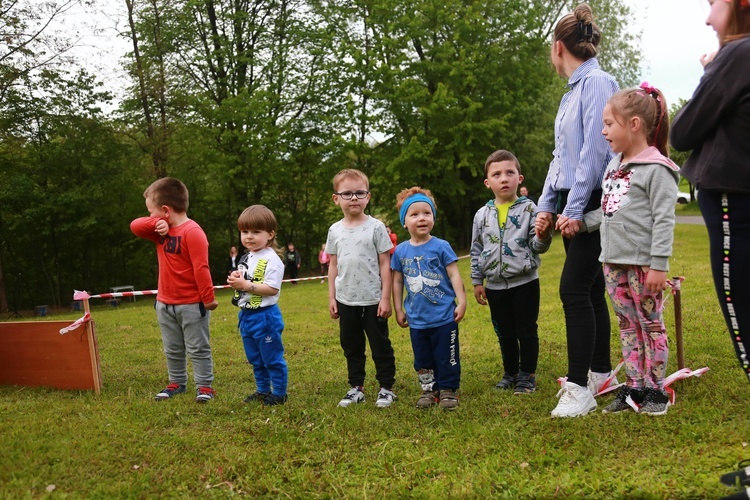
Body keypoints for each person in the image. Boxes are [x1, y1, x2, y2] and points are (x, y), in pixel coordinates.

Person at [535, 3, 620, 418]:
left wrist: (571, 207)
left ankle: (579, 389)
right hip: (573, 201)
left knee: (572, 290)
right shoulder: (571, 93)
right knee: (588, 291)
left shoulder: (599, 83)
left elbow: (596, 151)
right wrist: (546, 205)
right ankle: (601, 374)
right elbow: (561, 156)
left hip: (593, 203)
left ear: (558, 48)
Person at [671, 0, 750, 387]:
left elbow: (681, 131)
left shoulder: (738, 53)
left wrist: (710, 72)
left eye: (713, 3)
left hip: (735, 205)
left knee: (742, 314)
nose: (706, 17)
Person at [598, 83, 679, 416]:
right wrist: (578, 221)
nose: (603, 131)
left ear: (633, 125)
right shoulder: (614, 166)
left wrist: (658, 264)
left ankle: (655, 390)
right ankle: (634, 387)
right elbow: (611, 210)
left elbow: (663, 220)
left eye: (609, 124)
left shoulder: (657, 169)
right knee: (627, 326)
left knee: (650, 326)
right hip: (612, 262)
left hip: (644, 266)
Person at [471, 150, 553, 396]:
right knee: (504, 332)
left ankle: (527, 376)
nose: (503, 178)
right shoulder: (481, 215)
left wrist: (543, 234)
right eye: (496, 174)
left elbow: (538, 246)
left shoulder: (530, 209)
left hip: (525, 283)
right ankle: (510, 372)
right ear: (488, 182)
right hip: (495, 286)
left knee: (526, 331)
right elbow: (477, 249)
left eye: (510, 172)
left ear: (520, 178)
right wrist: (477, 281)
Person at [130, 177, 218, 403]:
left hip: (191, 304)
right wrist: (156, 224)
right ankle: (177, 382)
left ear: (166, 210)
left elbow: (201, 267)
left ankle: (205, 387)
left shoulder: (193, 232)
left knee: (198, 348)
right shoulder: (160, 230)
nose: (149, 217)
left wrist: (208, 299)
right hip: (164, 304)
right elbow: (135, 226)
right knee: (172, 348)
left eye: (152, 213)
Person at [326, 169, 397, 408]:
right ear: (336, 198)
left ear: (368, 196)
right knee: (351, 345)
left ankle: (386, 388)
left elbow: (385, 264)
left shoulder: (376, 227)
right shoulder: (334, 230)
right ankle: (356, 387)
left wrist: (385, 298)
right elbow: (333, 264)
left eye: (359, 193)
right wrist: (332, 297)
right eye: (347, 193)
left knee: (380, 345)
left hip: (373, 299)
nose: (354, 198)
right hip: (346, 300)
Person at [392, 187, 467, 410]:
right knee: (423, 358)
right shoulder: (400, 251)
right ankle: (429, 390)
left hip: (444, 316)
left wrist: (461, 301)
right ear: (404, 222)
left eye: (427, 213)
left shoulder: (441, 246)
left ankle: (448, 390)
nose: (421, 218)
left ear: (433, 217)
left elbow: (454, 274)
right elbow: (397, 281)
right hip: (417, 319)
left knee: (447, 355)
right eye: (414, 214)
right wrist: (398, 309)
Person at [227, 205, 288, 406]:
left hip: (265, 317)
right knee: (255, 358)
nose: (249, 237)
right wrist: (236, 277)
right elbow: (245, 276)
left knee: (272, 358)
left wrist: (246, 285)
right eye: (245, 232)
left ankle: (279, 393)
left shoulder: (272, 260)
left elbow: (272, 289)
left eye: (256, 232)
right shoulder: (247, 257)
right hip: (247, 316)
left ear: (270, 234)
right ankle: (262, 391)